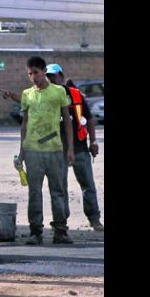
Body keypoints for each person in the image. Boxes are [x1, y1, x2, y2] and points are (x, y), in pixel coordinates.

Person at [18, 56, 74, 245]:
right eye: (29, 73)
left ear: (44, 72)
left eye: (36, 72)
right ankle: (35, 232)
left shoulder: (58, 92)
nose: (33, 76)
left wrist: (70, 149)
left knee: (57, 191)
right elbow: (24, 123)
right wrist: (22, 151)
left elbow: (67, 121)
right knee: (34, 192)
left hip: (55, 150)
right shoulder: (27, 94)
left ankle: (60, 231)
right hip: (32, 150)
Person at [45, 64, 104, 231]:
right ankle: (61, 222)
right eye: (48, 77)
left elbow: (89, 119)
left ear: (61, 77)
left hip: (79, 148)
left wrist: (93, 141)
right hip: (57, 150)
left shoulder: (76, 95)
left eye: (54, 76)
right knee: (60, 187)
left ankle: (94, 219)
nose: (51, 80)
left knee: (88, 185)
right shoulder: (45, 96)